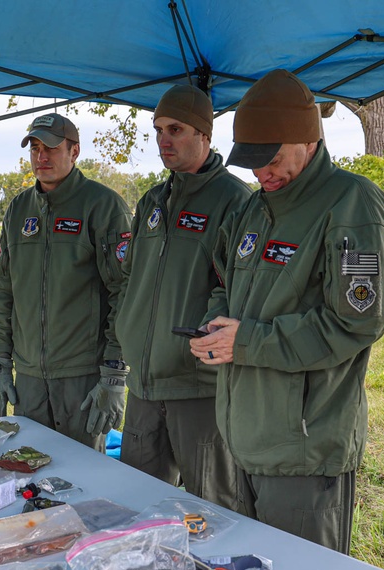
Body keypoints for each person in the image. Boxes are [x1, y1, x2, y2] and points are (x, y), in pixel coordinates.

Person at [190, 69, 384, 554]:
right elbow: (223, 281)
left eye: (273, 158)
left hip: (304, 449)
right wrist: (217, 323)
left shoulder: (352, 204)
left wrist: (248, 341)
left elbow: (358, 320)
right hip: (241, 437)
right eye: (253, 163)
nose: (262, 173)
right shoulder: (253, 208)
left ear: (309, 139)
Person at [113, 85, 251, 511]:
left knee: (212, 509)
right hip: (144, 383)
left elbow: (238, 290)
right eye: (157, 130)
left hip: (198, 388)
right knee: (138, 507)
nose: (163, 140)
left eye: (175, 129)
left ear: (205, 135)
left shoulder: (235, 200)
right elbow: (132, 276)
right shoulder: (154, 199)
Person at [0, 113, 132, 451]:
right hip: (29, 379)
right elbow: (4, 290)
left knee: (84, 483)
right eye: (35, 148)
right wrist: (0, 360)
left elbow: (123, 293)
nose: (41, 157)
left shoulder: (102, 206)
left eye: (51, 148)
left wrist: (114, 374)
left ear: (74, 151)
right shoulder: (18, 209)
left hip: (81, 376)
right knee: (31, 477)